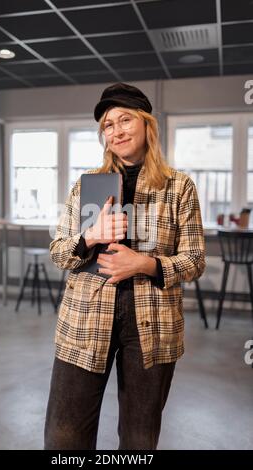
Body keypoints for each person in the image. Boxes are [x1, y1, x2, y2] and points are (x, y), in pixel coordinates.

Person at [44, 82, 206, 450]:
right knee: (63, 436)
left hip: (152, 322)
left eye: (124, 119)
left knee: (139, 437)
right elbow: (58, 252)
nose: (115, 131)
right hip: (85, 318)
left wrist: (144, 263)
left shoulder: (178, 187)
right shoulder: (88, 185)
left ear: (147, 124)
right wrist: (90, 237)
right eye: (107, 125)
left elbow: (196, 260)